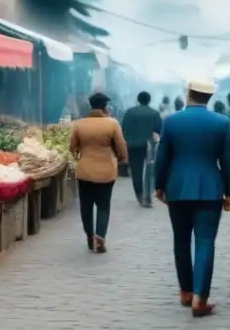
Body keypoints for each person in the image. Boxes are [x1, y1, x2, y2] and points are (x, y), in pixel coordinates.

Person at [154, 80, 230, 318]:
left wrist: (159, 186)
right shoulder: (222, 122)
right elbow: (228, 161)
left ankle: (185, 292)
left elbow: (162, 157)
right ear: (208, 98)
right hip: (210, 189)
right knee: (205, 242)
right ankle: (200, 298)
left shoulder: (171, 121)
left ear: (188, 94)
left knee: (180, 240)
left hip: (177, 189)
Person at [69, 92, 129, 253]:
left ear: (91, 106)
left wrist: (80, 157)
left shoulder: (79, 124)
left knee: (86, 205)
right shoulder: (113, 124)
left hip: (85, 170)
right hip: (106, 171)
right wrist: (121, 159)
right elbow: (121, 148)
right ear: (105, 107)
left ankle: (89, 235)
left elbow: (73, 147)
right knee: (103, 205)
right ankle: (100, 235)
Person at [121, 91, 162, 207]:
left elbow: (123, 128)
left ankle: (139, 194)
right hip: (148, 145)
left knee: (136, 171)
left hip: (133, 145)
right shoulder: (154, 113)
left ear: (138, 99)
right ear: (149, 100)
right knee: (149, 171)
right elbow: (159, 129)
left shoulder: (130, 112)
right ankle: (147, 195)